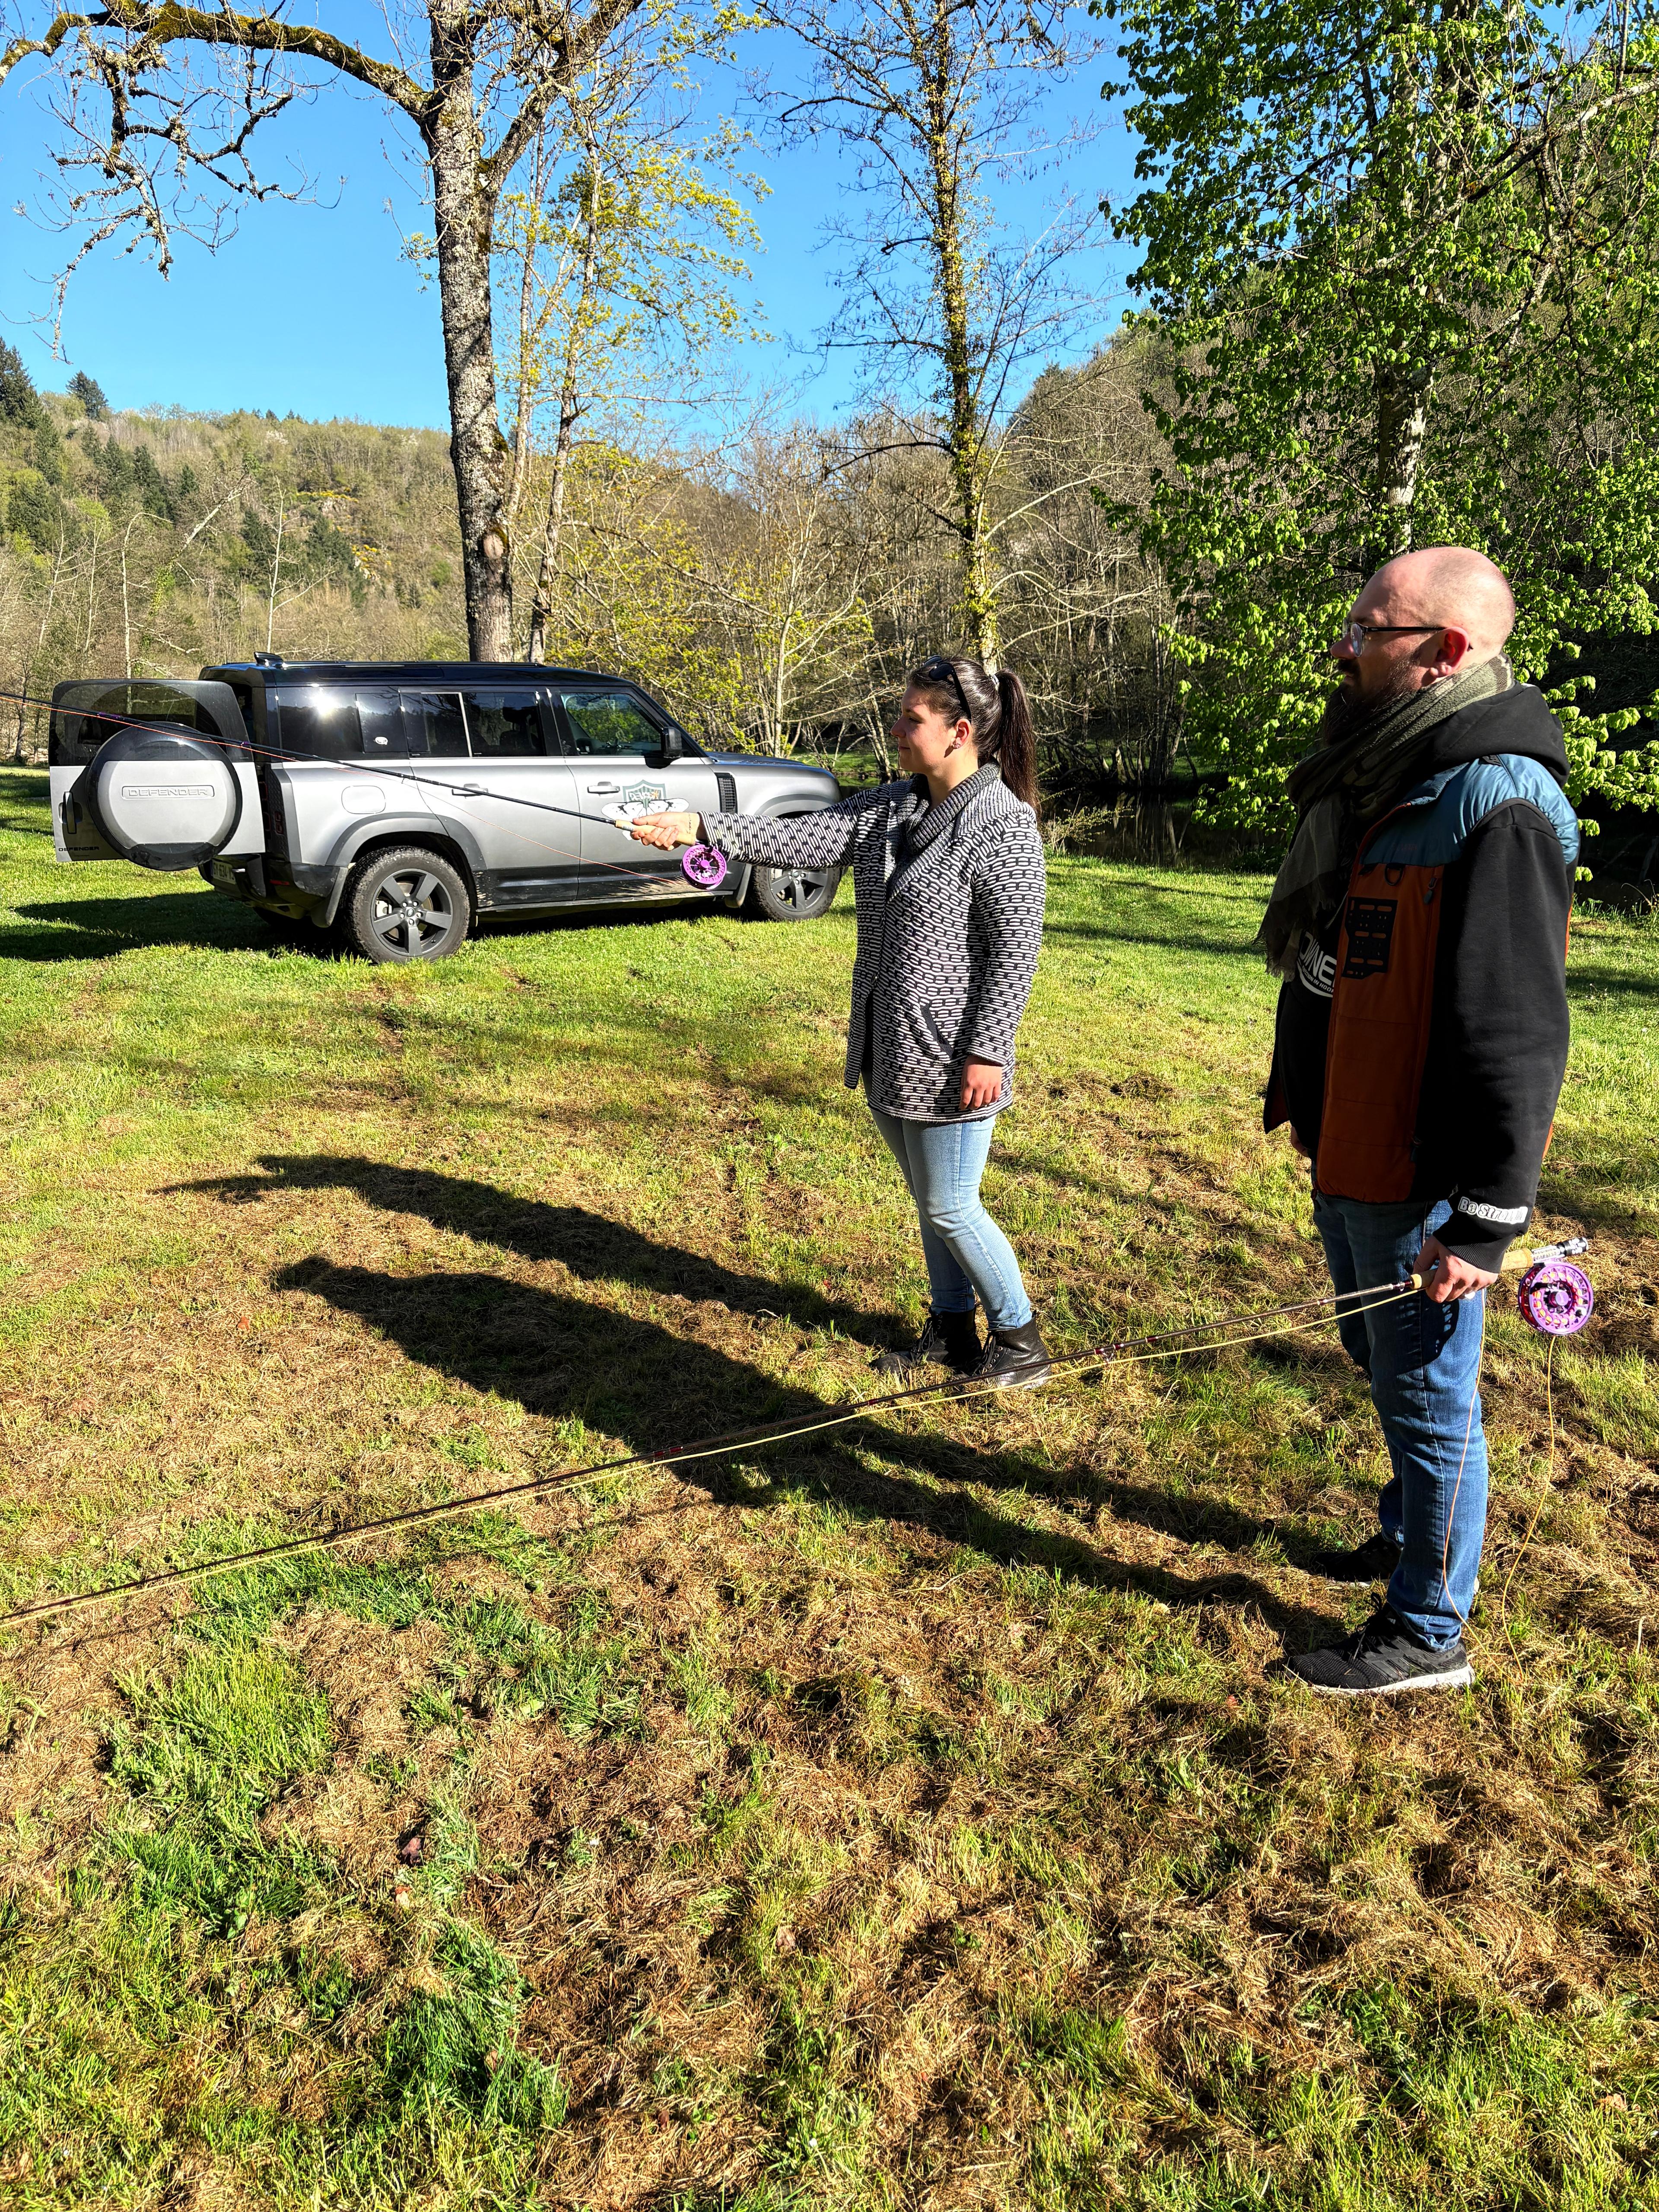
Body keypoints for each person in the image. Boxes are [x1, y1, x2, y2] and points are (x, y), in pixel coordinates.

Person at [1262, 545, 1579, 1697]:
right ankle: (1409, 1533)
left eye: (1368, 632)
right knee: (1378, 1359)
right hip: (1350, 1144)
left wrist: (1487, 1218)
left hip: (1421, 1173)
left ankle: (1429, 1629)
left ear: (1444, 653)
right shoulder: (1385, 778)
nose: (1343, 650)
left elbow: (1516, 1028)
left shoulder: (1496, 802)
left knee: (1430, 1399)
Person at [629, 656, 1052, 1389]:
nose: (895, 728)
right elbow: (802, 841)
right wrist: (699, 826)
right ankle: (952, 1332)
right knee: (930, 1203)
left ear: (958, 733)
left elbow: (1015, 953)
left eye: (911, 719)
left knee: (952, 1205)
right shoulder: (892, 807)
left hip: (955, 1059)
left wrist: (988, 1052)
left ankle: (1020, 1342)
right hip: (893, 1048)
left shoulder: (1004, 826)